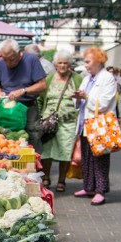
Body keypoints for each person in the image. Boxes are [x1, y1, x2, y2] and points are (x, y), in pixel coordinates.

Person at [71, 47, 117, 205]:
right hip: (86, 124)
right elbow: (81, 100)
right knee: (86, 157)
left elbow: (104, 103)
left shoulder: (108, 78)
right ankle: (89, 186)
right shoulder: (87, 78)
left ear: (98, 61)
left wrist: (86, 96)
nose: (86, 65)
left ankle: (101, 190)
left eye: (88, 62)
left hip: (99, 125)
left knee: (100, 159)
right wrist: (78, 98)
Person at [36, 50, 82, 191]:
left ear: (69, 64)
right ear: (55, 64)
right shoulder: (49, 78)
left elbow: (83, 97)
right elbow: (40, 98)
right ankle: (46, 177)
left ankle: (62, 180)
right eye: (60, 62)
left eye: (65, 63)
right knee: (46, 151)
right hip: (49, 121)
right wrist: (39, 116)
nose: (62, 65)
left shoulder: (77, 79)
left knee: (65, 152)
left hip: (68, 121)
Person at [0, 39, 48, 152]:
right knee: (6, 141)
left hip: (29, 108)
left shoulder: (31, 60)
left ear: (19, 53)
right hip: (7, 110)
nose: (8, 63)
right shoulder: (0, 64)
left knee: (33, 138)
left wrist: (23, 91)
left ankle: (33, 166)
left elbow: (42, 85)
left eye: (11, 59)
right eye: (5, 59)